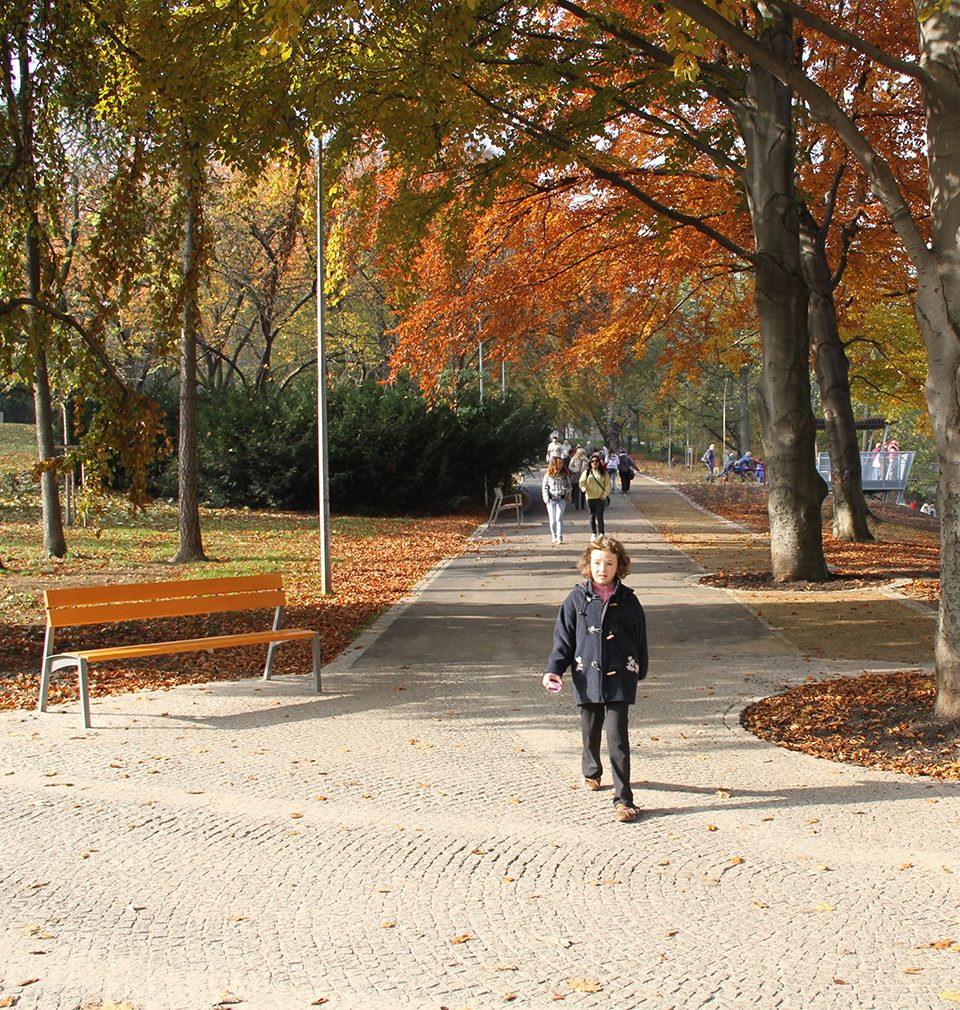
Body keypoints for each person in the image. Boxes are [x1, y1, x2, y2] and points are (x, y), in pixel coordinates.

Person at [542, 536, 649, 823]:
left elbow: (640, 638)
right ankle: (591, 770)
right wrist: (554, 668)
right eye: (597, 562)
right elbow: (563, 640)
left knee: (617, 738)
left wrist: (641, 668)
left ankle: (624, 800)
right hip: (586, 674)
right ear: (589, 565)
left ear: (619, 566)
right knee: (590, 730)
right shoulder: (575, 599)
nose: (603, 568)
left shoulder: (629, 601)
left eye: (609, 563)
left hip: (620, 678)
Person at [542, 456, 572, 545]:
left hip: (561, 498)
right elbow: (545, 487)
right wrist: (546, 498)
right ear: (554, 464)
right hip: (551, 500)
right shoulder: (548, 475)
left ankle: (560, 537)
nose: (560, 465)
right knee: (553, 520)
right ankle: (554, 535)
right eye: (558, 463)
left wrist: (565, 490)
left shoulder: (565, 475)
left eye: (561, 463)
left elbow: (570, 486)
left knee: (559, 518)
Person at [580, 454, 612, 537]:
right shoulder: (586, 472)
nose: (595, 463)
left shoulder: (604, 473)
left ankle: (601, 533)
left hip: (600, 497)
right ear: (590, 463)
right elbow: (581, 481)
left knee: (600, 515)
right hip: (590, 497)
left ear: (599, 463)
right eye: (593, 461)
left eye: (597, 461)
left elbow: (608, 485)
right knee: (592, 516)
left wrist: (604, 495)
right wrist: (583, 487)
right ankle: (593, 533)